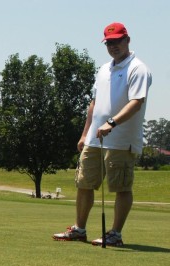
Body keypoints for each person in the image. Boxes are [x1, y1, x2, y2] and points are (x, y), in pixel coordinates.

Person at [53, 23, 152, 247]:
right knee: (84, 183)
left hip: (121, 140)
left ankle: (115, 233)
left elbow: (137, 102)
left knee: (121, 187)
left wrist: (112, 123)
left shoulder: (138, 69)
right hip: (95, 139)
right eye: (109, 42)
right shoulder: (104, 69)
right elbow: (95, 104)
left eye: (117, 41)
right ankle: (79, 229)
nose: (113, 46)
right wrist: (84, 134)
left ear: (127, 40)